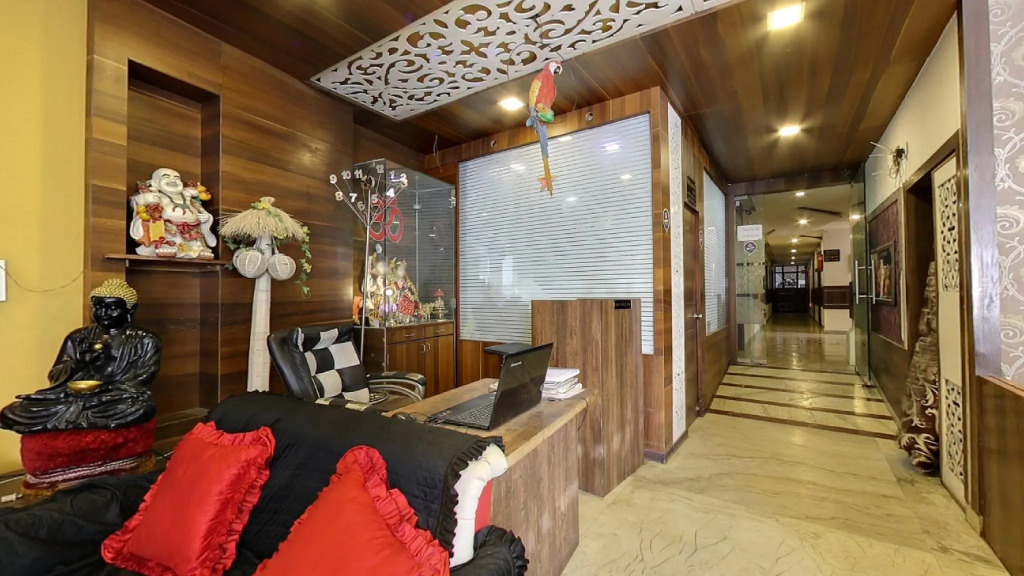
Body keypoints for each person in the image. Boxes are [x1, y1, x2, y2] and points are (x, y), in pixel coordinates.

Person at [0, 279, 162, 433]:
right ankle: (79, 419)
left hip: (113, 399)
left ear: (130, 310)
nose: (104, 313)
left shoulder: (145, 340)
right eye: (99, 307)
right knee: (12, 411)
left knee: (142, 407)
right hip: (72, 396)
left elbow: (143, 377)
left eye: (112, 308)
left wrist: (106, 391)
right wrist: (80, 363)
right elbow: (55, 375)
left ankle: (71, 420)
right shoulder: (78, 337)